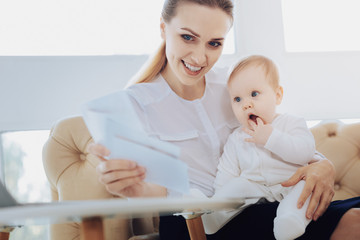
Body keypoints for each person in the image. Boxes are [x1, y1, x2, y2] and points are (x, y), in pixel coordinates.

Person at [89, 0, 360, 239]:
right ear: (163, 28)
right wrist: (135, 189)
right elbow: (160, 190)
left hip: (263, 203)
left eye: (214, 43)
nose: (199, 57)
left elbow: (277, 133)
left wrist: (323, 165)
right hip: (195, 223)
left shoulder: (232, 87)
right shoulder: (137, 104)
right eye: (187, 37)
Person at [200, 55, 315, 239]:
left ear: (277, 95)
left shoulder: (291, 123)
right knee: (236, 185)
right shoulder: (237, 138)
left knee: (305, 190)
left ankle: (290, 220)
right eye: (237, 99)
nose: (246, 104)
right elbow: (226, 171)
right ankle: (213, 215)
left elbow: (305, 152)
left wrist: (271, 137)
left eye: (254, 94)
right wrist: (221, 197)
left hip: (289, 183)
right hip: (255, 188)